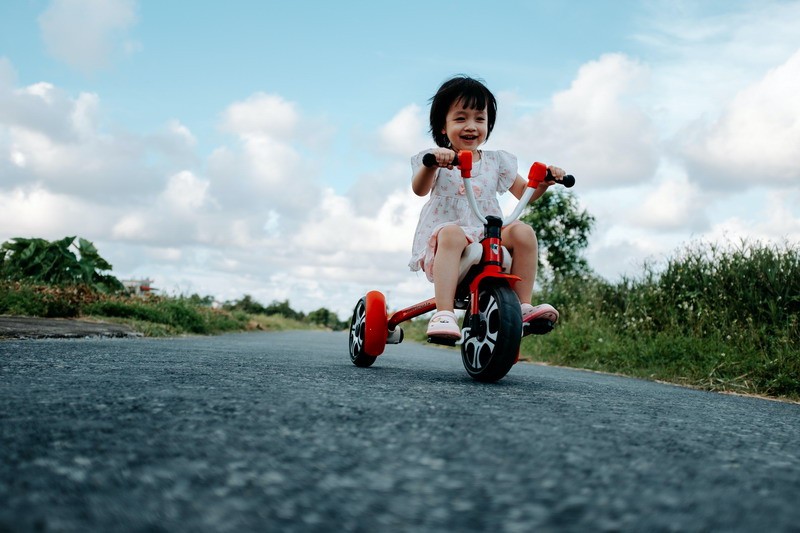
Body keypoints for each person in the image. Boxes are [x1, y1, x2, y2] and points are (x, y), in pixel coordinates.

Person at [409, 75, 562, 341]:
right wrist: (432, 163)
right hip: (448, 245)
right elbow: (419, 189)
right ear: (443, 127)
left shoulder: (496, 162)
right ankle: (444, 313)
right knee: (452, 233)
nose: (471, 126)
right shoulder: (435, 158)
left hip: (487, 238)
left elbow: (526, 194)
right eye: (460, 118)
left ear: (488, 125)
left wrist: (545, 182)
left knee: (523, 232)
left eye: (479, 119)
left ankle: (523, 304)